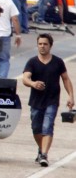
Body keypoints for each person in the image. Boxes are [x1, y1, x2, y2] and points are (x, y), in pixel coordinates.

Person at [22, 33, 74, 167]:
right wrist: (33, 84)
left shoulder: (58, 62)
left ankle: (44, 154)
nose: (42, 46)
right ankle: (41, 149)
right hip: (36, 101)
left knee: (47, 126)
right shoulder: (32, 62)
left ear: (50, 45)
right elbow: (25, 78)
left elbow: (66, 79)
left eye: (45, 44)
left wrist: (71, 96)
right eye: (40, 44)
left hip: (52, 100)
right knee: (36, 128)